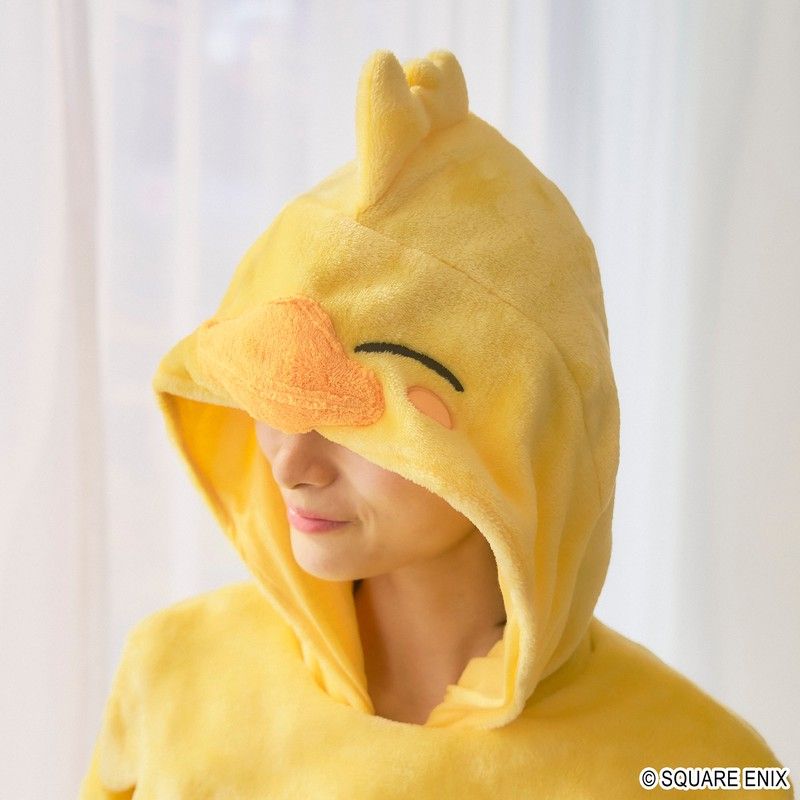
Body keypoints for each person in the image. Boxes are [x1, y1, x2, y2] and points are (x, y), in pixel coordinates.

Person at [79, 48, 792, 798]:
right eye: (274, 399)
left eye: (356, 420)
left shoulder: (701, 766)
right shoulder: (170, 682)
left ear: (525, 434)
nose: (292, 464)